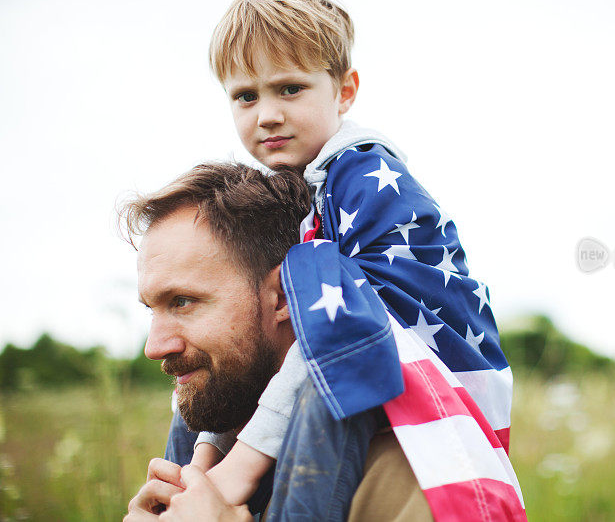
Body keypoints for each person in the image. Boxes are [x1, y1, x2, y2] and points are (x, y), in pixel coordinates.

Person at [160, 0, 526, 519]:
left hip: (412, 360)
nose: (267, 115)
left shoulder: (362, 177)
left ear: (345, 91)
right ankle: (180, 495)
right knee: (202, 379)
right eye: (245, 96)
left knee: (321, 376)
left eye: (289, 88)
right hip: (349, 350)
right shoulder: (290, 192)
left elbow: (340, 335)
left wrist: (236, 469)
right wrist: (205, 460)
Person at [122, 163, 434, 521]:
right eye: (153, 309)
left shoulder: (400, 484)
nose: (154, 347)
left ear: (285, 297)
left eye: (182, 301)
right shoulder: (197, 473)